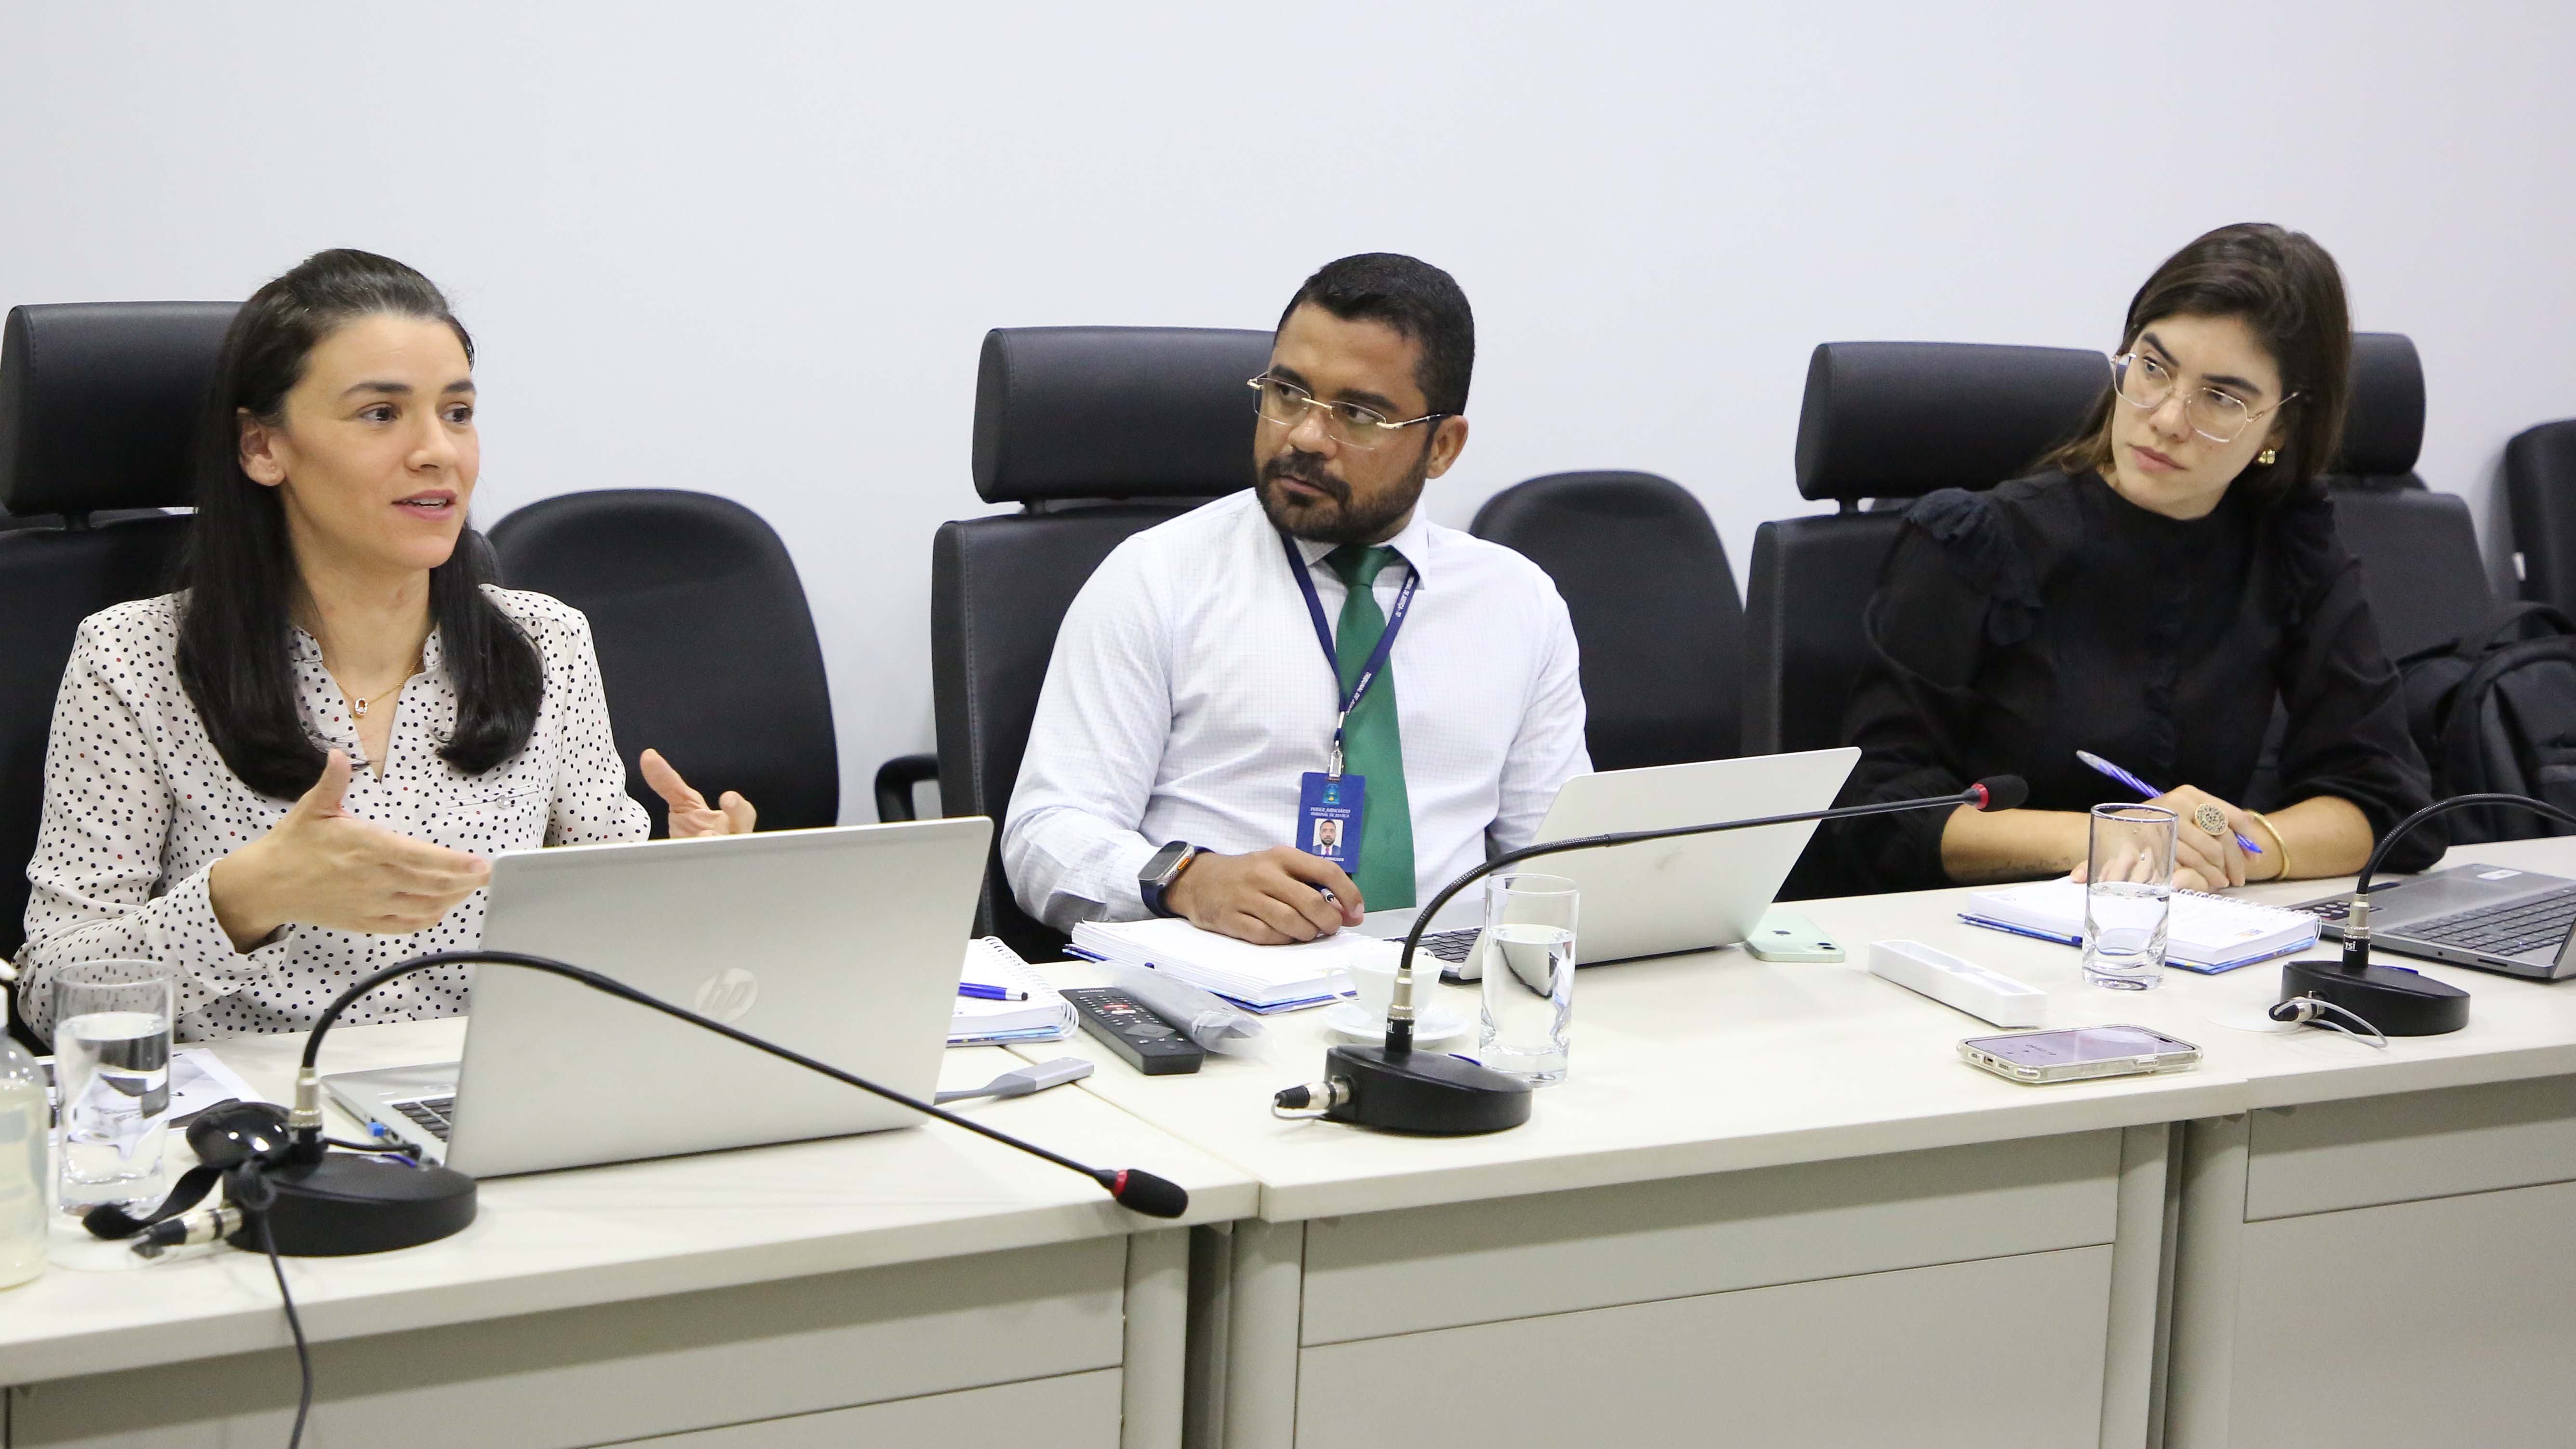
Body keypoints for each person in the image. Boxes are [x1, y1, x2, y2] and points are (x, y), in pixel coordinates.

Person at [17, 249, 752, 1041]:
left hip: (480, 1105)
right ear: (264, 447)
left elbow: (607, 958)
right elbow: (52, 996)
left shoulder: (547, 641)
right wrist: (241, 897)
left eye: (458, 412)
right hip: (251, 1122)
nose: (437, 450)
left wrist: (686, 891)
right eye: (381, 414)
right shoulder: (132, 658)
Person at [1821, 222, 2440, 896]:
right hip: (1976, 944)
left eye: (2222, 398)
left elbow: (2383, 796)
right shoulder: (1973, 540)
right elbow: (1873, 813)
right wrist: (2111, 835)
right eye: (2153, 367)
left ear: (2281, 425)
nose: (2169, 418)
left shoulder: (2289, 541)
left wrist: (2233, 846)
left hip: (2183, 941)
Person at [1004, 253, 1589, 944]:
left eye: (1359, 414)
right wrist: (1187, 880)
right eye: (1287, 394)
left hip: (1447, 998)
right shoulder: (1157, 578)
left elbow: (1556, 867)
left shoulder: (1518, 603)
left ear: (1442, 447)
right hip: (1226, 997)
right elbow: (1045, 837)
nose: (1306, 437)